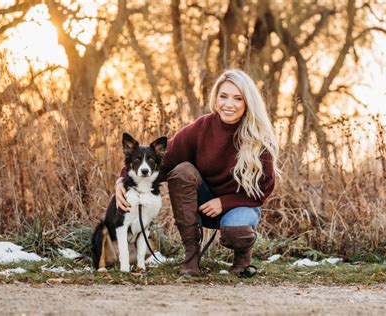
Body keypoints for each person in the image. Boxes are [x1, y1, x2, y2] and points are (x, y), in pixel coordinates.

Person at [115, 69, 280, 277]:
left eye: (238, 98)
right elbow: (163, 161)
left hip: (238, 206)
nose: (229, 104)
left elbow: (264, 189)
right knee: (182, 171)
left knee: (236, 231)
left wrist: (224, 202)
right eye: (223, 96)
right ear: (216, 98)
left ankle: (242, 261)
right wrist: (123, 179)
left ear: (248, 102)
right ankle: (191, 256)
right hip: (199, 204)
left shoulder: (258, 137)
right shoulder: (202, 127)